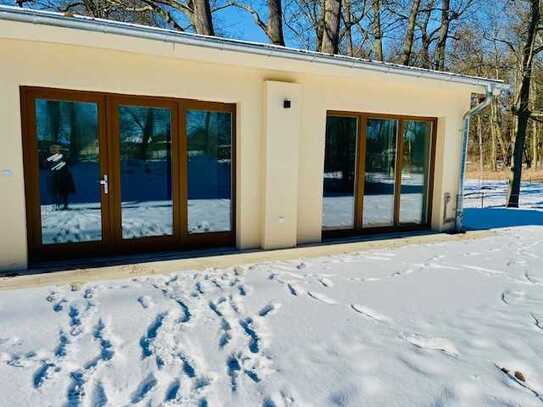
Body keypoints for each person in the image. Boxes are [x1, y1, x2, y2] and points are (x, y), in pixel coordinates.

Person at [47, 144, 76, 210]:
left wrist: (68, 157)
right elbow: (47, 164)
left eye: (58, 148)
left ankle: (64, 204)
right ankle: (58, 204)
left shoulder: (63, 156)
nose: (57, 150)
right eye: (55, 148)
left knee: (64, 191)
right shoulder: (52, 157)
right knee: (57, 191)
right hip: (57, 176)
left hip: (64, 176)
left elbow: (70, 163)